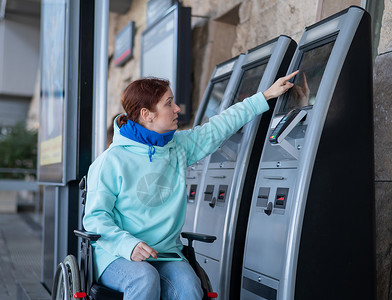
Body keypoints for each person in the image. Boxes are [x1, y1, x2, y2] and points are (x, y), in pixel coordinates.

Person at [83, 70, 298, 300]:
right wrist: (128, 245)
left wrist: (264, 97)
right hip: (116, 255)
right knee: (144, 278)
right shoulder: (110, 161)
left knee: (190, 287)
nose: (177, 109)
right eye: (168, 103)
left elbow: (219, 127)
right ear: (147, 114)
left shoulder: (178, 147)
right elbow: (96, 219)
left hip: (164, 254)